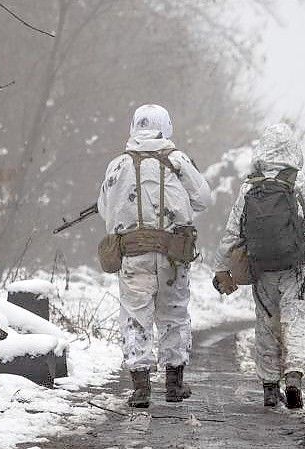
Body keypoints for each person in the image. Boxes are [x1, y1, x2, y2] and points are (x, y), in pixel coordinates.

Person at [212, 123, 305, 409]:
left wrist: (221, 267)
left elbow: (232, 232)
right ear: (292, 149)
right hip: (295, 266)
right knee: (295, 319)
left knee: (266, 323)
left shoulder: (249, 186)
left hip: (260, 267)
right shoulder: (298, 181)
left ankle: (270, 387)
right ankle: (293, 377)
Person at [97, 104, 211, 408]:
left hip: (133, 254)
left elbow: (104, 210)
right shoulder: (178, 161)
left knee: (136, 317)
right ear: (166, 126)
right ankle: (174, 385)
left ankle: (141, 387)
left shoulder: (117, 165)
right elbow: (203, 199)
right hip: (173, 254)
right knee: (174, 316)